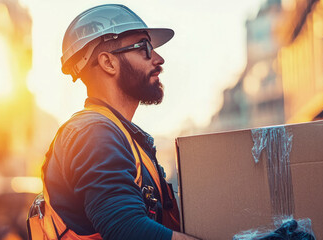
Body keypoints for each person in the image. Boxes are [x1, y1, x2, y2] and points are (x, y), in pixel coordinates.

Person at [27, 4, 199, 240]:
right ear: (108, 63)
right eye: (144, 47)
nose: (159, 59)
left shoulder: (122, 137)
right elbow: (126, 229)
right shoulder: (93, 132)